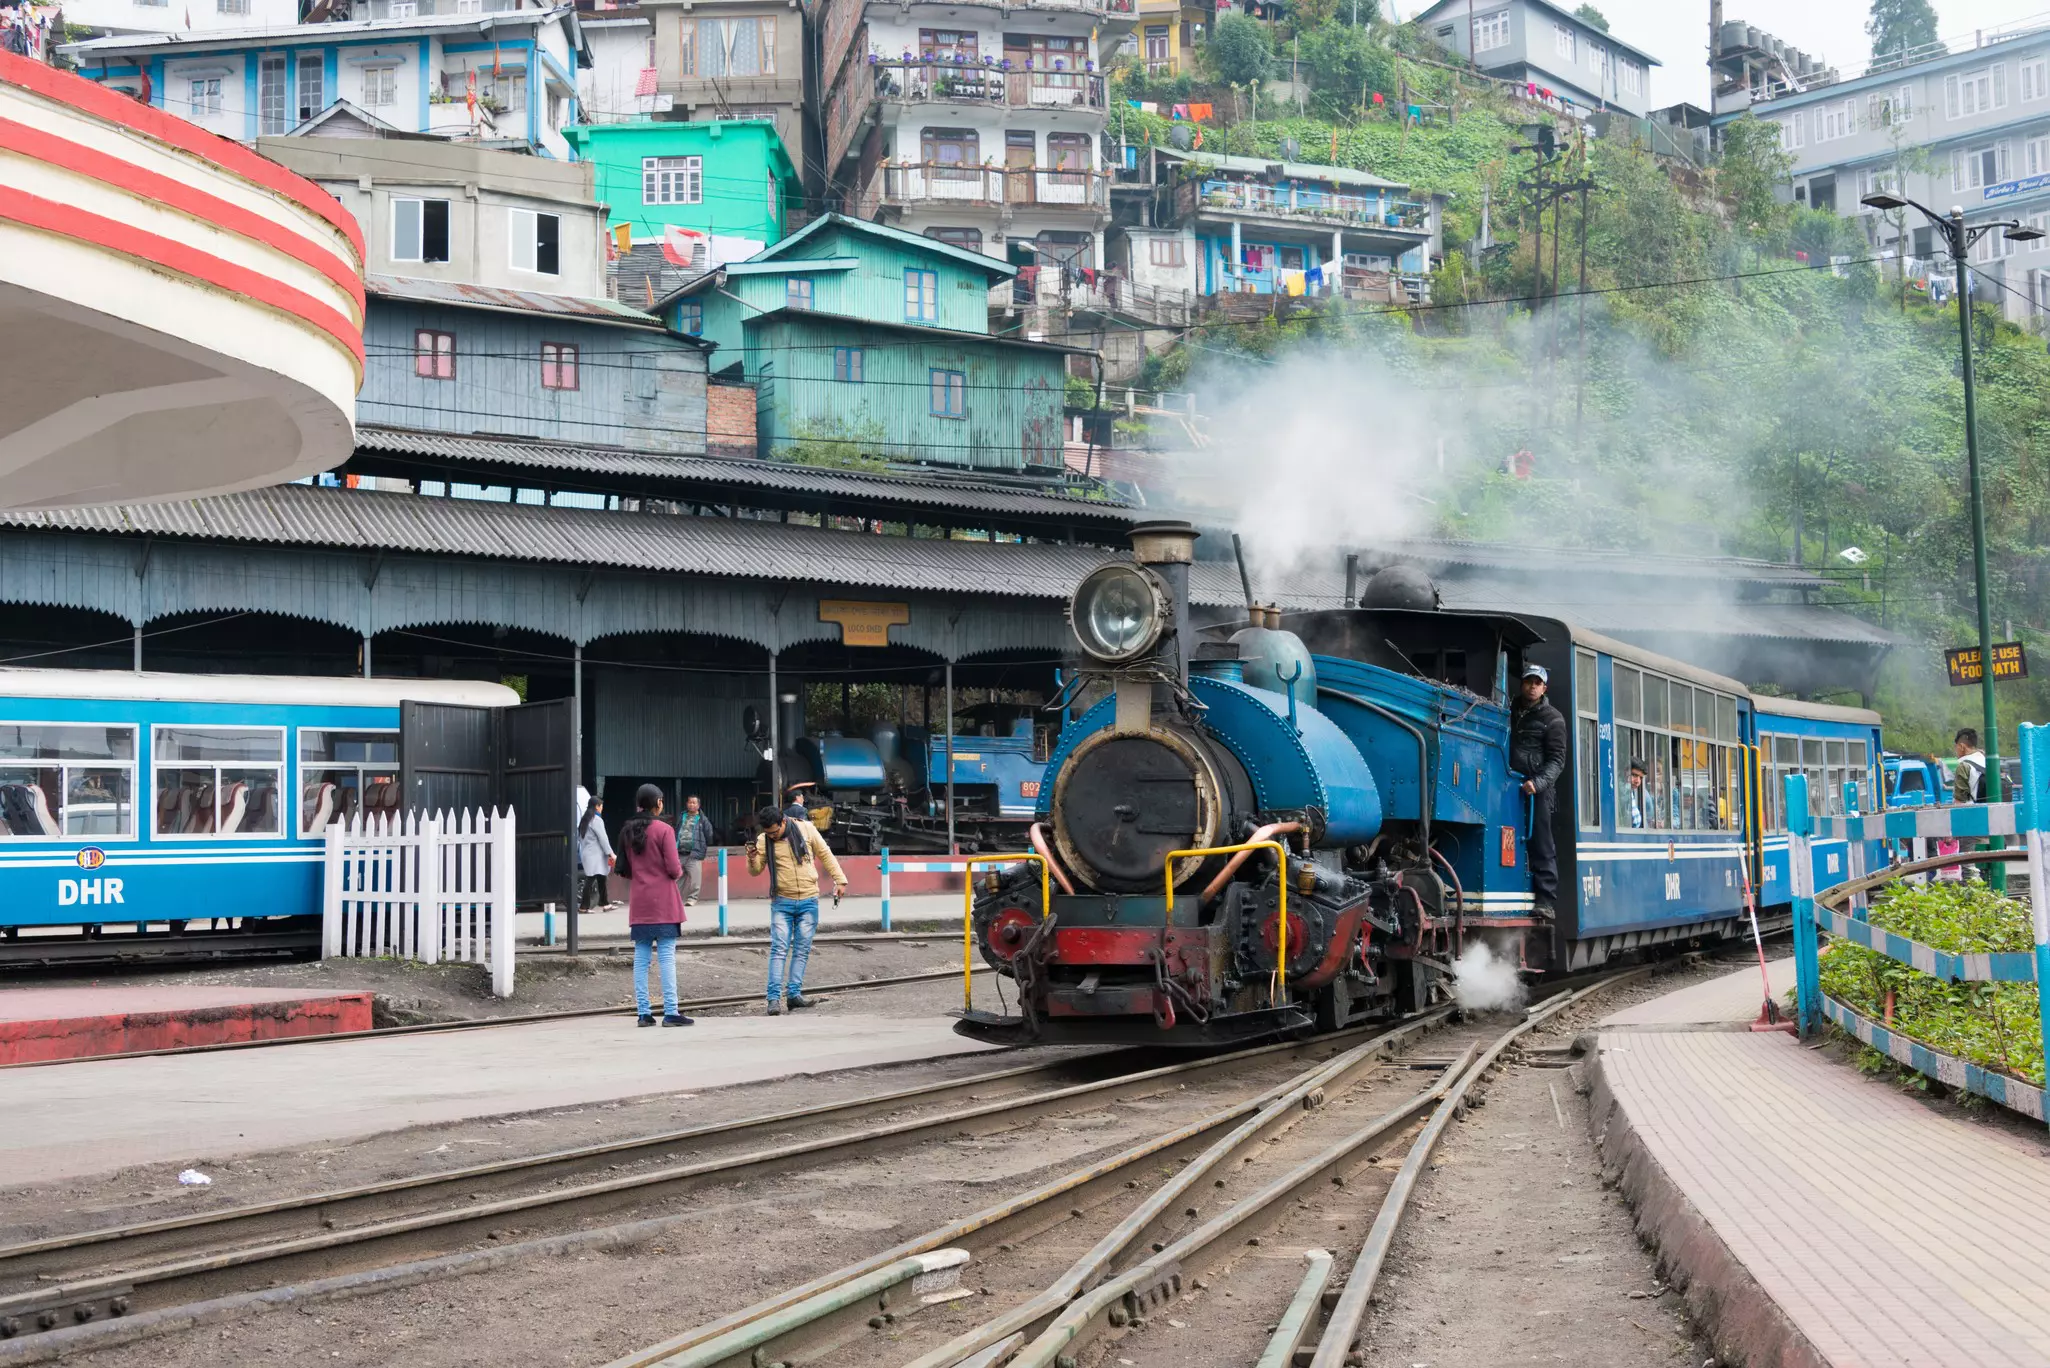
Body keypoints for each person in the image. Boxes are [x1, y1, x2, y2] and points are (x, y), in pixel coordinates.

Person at [748, 803, 847, 1015]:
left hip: (809, 900)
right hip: (782, 902)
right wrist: (752, 857)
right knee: (779, 949)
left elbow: (826, 854)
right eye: (768, 833)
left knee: (801, 950)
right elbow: (755, 871)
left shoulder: (807, 829)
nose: (772, 836)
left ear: (783, 822)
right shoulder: (764, 839)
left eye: (775, 832)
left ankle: (794, 995)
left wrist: (840, 880)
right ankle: (773, 999)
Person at [615, 784, 692, 1028]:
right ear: (658, 802)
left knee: (641, 958)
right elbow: (673, 868)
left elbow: (624, 870)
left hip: (640, 903)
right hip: (665, 902)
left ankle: (644, 1014)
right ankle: (671, 1012)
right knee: (667, 956)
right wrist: (676, 872)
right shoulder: (665, 830)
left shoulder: (627, 831)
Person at [1509, 663, 1569, 919]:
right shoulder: (1509, 710)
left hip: (1538, 789)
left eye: (1537, 683)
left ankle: (1545, 900)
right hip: (1510, 782)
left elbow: (1557, 761)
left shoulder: (1553, 719)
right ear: (1522, 684)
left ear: (1544, 687)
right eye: (1528, 681)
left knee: (1541, 842)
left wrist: (1539, 783)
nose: (1532, 686)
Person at [576, 795, 614, 913]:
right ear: (597, 807)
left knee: (601, 877)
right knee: (590, 879)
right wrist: (610, 853)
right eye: (601, 806)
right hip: (595, 855)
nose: (602, 808)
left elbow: (579, 838)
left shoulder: (585, 819)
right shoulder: (596, 820)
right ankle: (583, 907)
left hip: (587, 854)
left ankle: (605, 903)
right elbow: (603, 838)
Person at [674, 795, 712, 908]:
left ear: (698, 805)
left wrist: (701, 845)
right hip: (679, 852)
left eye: (694, 803)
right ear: (687, 804)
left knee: (695, 879)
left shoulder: (702, 819)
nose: (692, 805)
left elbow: (709, 834)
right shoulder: (682, 816)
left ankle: (692, 898)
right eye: (690, 802)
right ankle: (675, 900)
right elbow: (676, 831)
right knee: (677, 878)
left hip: (694, 853)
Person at [1624, 759, 1648, 830]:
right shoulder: (1623, 791)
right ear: (1625, 772)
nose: (1638, 781)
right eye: (1634, 775)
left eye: (1640, 778)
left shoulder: (1630, 791)